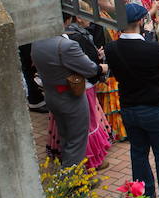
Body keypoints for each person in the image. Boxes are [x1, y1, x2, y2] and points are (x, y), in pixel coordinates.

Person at [104, 3, 159, 198]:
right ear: (140, 21)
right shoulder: (153, 49)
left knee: (138, 154)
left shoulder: (112, 48)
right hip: (155, 108)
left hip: (129, 108)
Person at [31, 15, 107, 167]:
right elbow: (90, 69)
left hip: (52, 95)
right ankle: (75, 182)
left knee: (65, 136)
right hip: (70, 97)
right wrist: (101, 68)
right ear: (66, 21)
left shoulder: (37, 43)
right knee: (77, 140)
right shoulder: (66, 45)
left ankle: (68, 174)